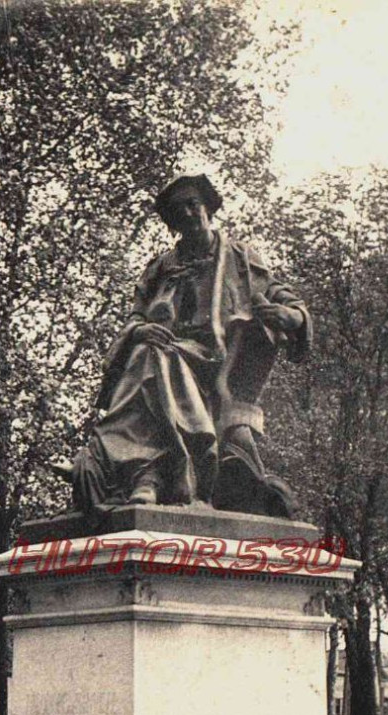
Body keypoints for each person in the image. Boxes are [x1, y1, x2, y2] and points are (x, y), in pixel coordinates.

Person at [64, 174, 312, 517]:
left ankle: (139, 470)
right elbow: (135, 318)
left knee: (154, 360)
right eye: (178, 210)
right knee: (151, 355)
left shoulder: (239, 259)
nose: (188, 214)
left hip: (218, 359)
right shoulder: (161, 267)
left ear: (208, 208)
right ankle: (145, 472)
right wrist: (140, 330)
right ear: (173, 222)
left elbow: (283, 298)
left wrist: (293, 316)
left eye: (193, 204)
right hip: (165, 350)